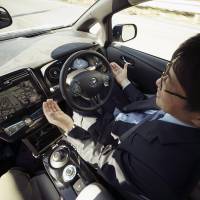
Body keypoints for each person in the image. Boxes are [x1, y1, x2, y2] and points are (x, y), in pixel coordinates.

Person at [43, 34, 200, 200]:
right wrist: (125, 82)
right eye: (166, 72)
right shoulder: (180, 110)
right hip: (126, 117)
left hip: (107, 140)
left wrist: (69, 127)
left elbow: (104, 161)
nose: (157, 82)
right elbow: (147, 106)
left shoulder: (154, 169)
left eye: (168, 82)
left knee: (79, 112)